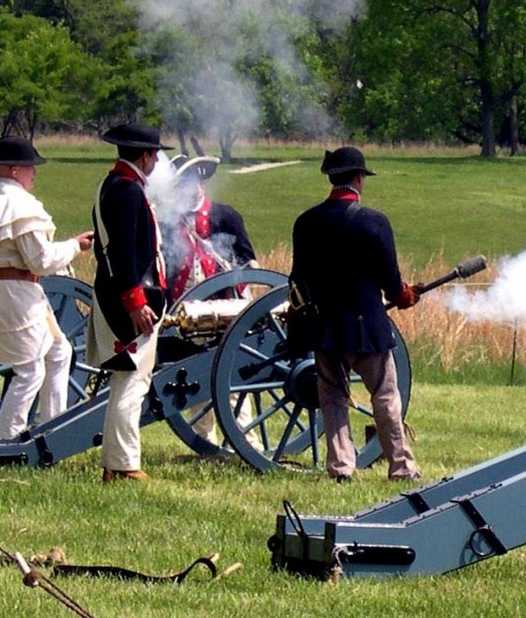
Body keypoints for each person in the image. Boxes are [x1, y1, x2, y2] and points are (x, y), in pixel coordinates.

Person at [289, 145, 419, 484]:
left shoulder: (306, 223)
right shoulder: (373, 221)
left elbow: (297, 279)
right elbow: (391, 281)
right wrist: (405, 296)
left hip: (325, 328)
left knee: (332, 398)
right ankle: (401, 467)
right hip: (367, 327)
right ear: (359, 179)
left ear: (332, 179)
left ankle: (341, 467)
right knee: (386, 396)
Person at [0, 136, 92, 440]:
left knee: (60, 352)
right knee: (30, 371)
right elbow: (40, 261)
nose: (35, 173)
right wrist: (75, 246)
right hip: (17, 293)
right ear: (15, 170)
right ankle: (4, 440)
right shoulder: (21, 208)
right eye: (30, 167)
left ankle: (53, 427)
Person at [92, 121, 172, 483]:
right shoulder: (126, 191)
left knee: (126, 380)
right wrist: (136, 302)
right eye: (154, 154)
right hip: (128, 298)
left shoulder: (114, 185)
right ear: (144, 155)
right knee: (133, 382)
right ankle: (124, 465)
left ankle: (115, 463)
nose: (156, 161)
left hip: (117, 294)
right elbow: (123, 253)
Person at [162, 154, 257, 295]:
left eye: (197, 183)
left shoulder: (226, 215)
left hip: (220, 295)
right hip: (180, 297)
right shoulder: (169, 220)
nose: (195, 189)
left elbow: (246, 257)